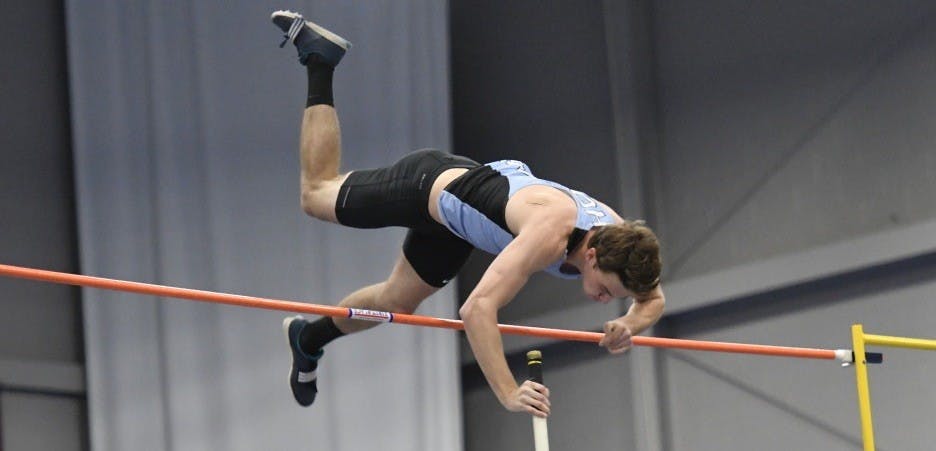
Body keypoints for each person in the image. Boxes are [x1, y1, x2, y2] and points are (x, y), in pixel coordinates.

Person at [271, 10, 665, 418]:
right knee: (315, 194)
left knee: (396, 302)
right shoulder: (549, 233)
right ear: (592, 256)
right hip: (427, 185)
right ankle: (319, 60)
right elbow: (477, 310)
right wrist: (509, 393)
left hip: (458, 225)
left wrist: (630, 325)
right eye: (606, 290)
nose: (604, 300)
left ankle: (308, 338)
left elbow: (653, 298)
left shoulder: (619, 237)